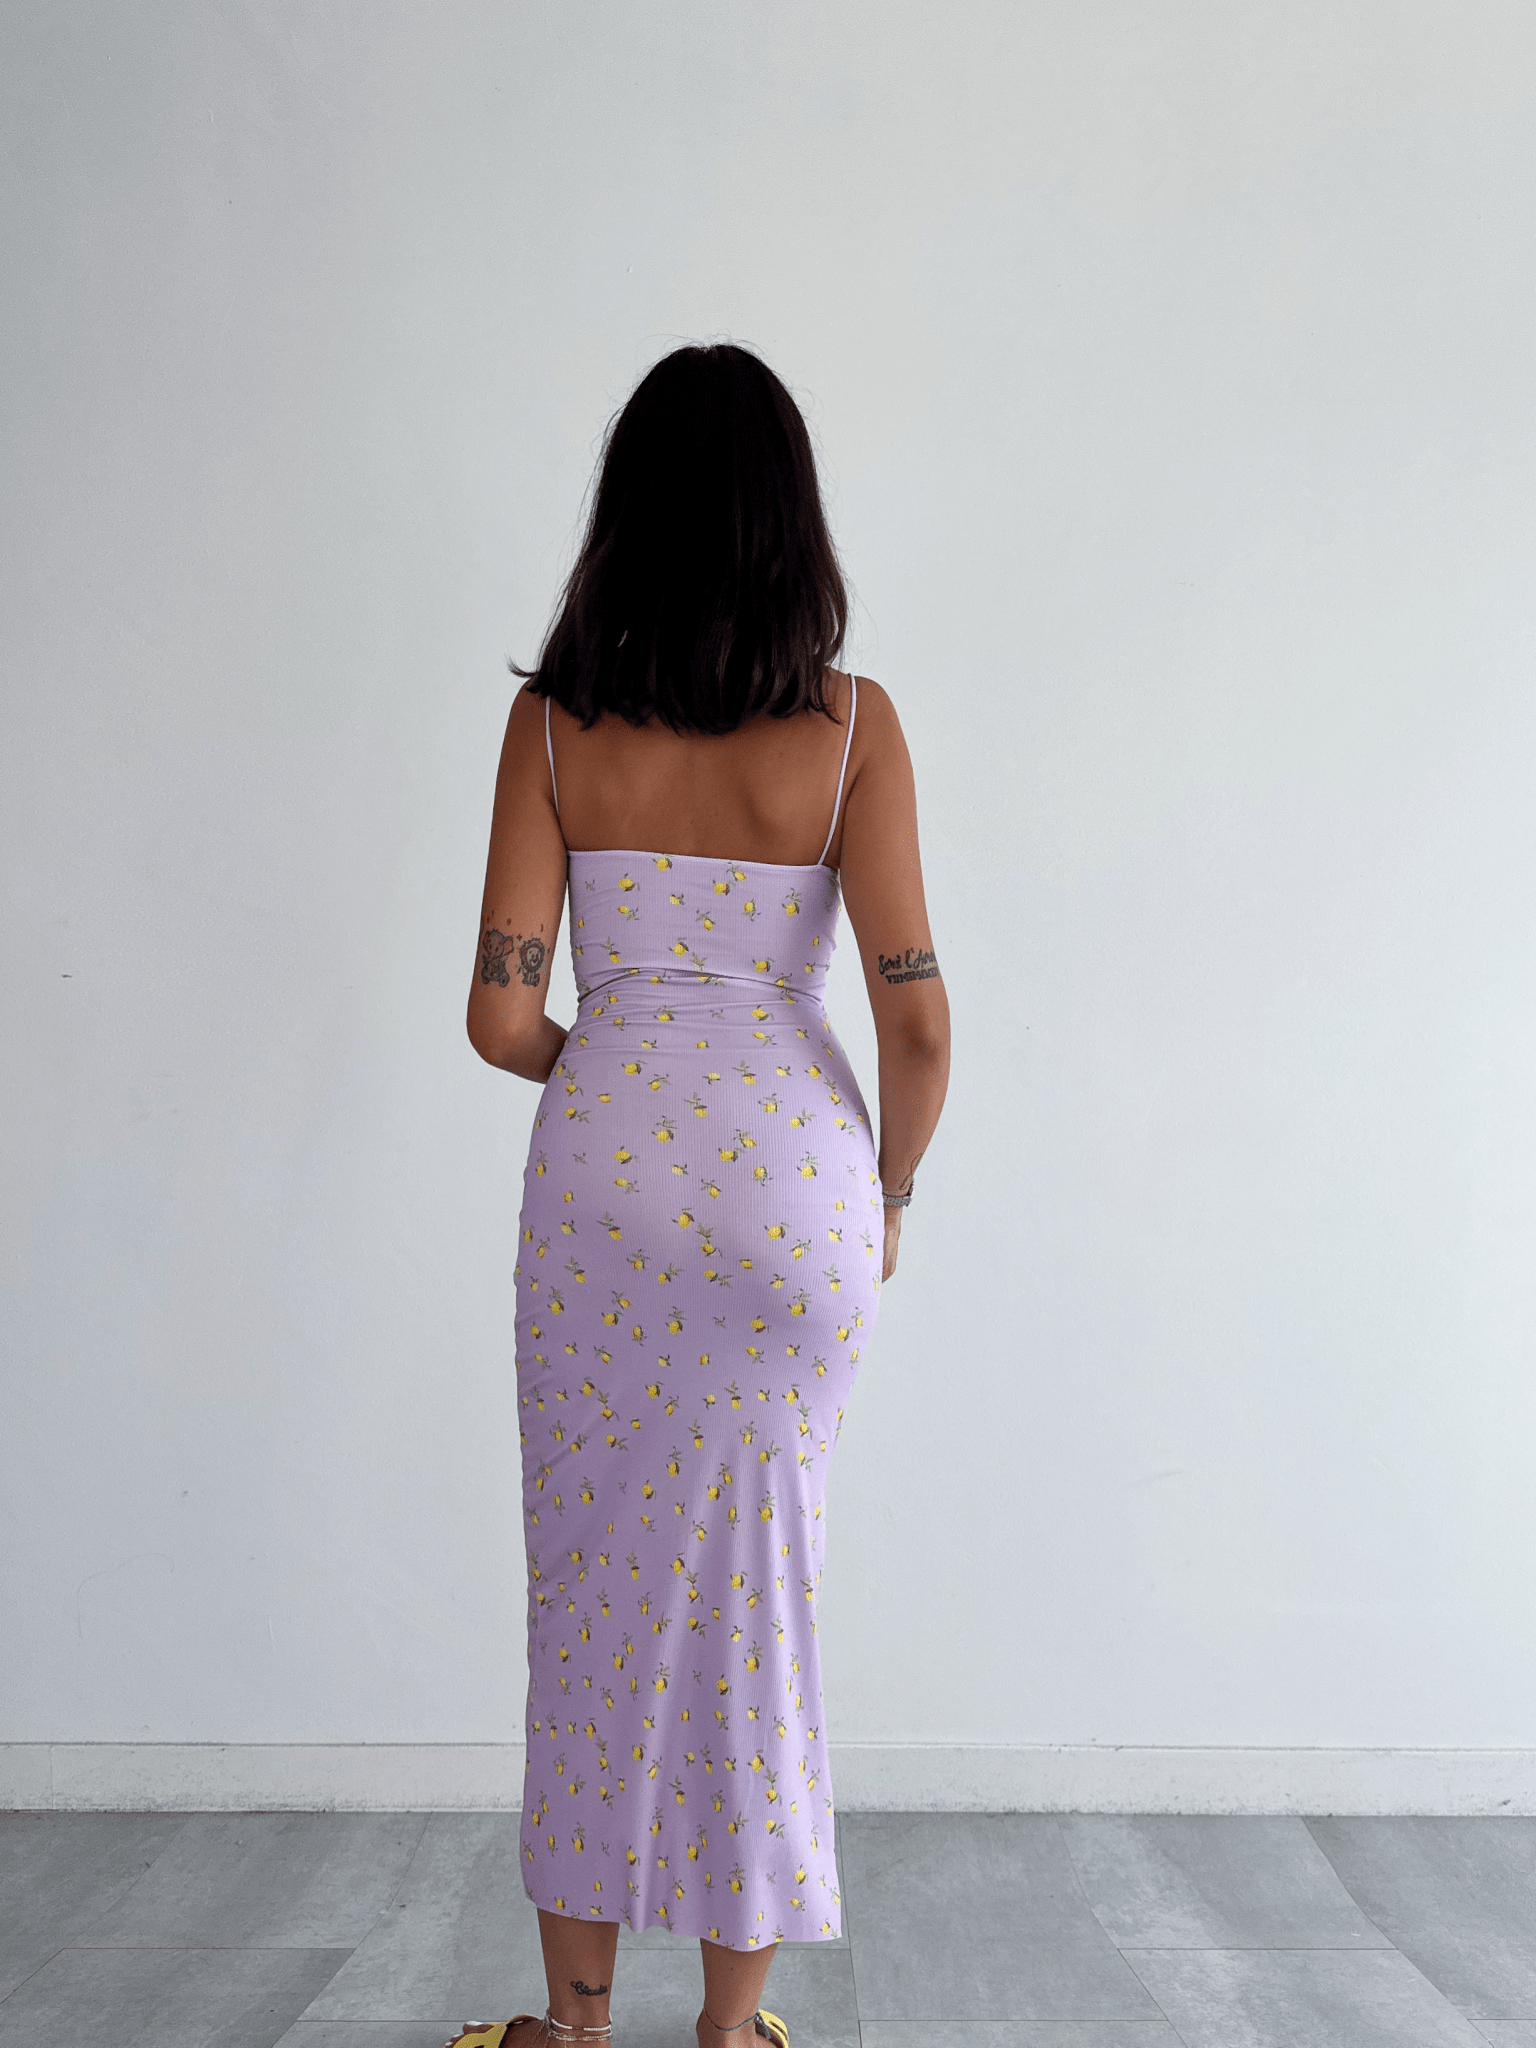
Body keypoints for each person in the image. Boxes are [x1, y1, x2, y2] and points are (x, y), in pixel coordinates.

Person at [460, 343, 950, 2048]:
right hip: (795, 1203)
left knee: (590, 1595)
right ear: (789, 519)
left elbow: (500, 1015)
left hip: (601, 1184)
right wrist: (888, 1192)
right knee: (761, 1599)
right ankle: (730, 2031)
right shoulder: (852, 729)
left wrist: (619, 1071)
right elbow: (916, 1021)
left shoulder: (552, 724)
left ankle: (574, 2025)